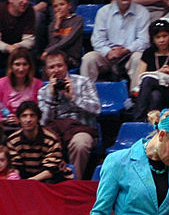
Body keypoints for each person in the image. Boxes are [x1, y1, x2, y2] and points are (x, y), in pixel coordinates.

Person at [38, 49, 101, 180]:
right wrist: (51, 97)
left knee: (80, 144)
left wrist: (74, 97)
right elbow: (42, 122)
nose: (56, 70)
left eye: (59, 65)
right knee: (40, 141)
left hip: (81, 129)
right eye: (51, 67)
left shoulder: (84, 82)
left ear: (66, 66)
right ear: (46, 71)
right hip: (56, 131)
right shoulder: (43, 91)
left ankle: (74, 182)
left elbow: (97, 109)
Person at [80, 0, 150, 92]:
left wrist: (125, 50)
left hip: (130, 55)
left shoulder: (142, 12)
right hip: (108, 55)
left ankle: (136, 98)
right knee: (89, 58)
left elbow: (144, 41)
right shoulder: (103, 12)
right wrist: (108, 52)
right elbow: (97, 40)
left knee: (139, 58)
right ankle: (86, 97)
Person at [133, 20, 169, 122]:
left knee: (149, 80)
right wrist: (158, 73)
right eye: (158, 37)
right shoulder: (148, 53)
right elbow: (140, 79)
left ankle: (139, 118)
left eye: (164, 36)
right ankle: (150, 122)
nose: (161, 40)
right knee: (155, 95)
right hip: (152, 95)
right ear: (153, 39)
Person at [6, 100, 73, 181]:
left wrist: (31, 181)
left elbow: (51, 170)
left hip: (52, 177)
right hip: (27, 178)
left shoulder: (51, 139)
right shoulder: (12, 140)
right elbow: (15, 166)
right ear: (19, 119)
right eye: (24, 116)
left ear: (38, 118)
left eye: (32, 116)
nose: (28, 120)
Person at [0, 47, 43, 134]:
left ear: (29, 66)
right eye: (17, 64)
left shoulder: (38, 84)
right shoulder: (1, 84)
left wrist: (21, 120)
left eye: (24, 64)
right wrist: (3, 119)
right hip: (4, 126)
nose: (21, 69)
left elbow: (39, 111)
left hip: (29, 127)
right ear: (11, 66)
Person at [41, 0, 83, 70]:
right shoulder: (53, 24)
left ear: (69, 5)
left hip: (71, 58)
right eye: (55, 6)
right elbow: (52, 43)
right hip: (54, 56)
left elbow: (67, 41)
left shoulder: (77, 20)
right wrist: (57, 25)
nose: (59, 8)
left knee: (52, 63)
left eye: (62, 4)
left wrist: (48, 51)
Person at [0, 0, 35, 70]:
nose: (25, 1)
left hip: (18, 50)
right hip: (2, 49)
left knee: (31, 57)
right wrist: (8, 48)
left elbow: (29, 40)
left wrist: (16, 47)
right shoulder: (1, 10)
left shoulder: (29, 11)